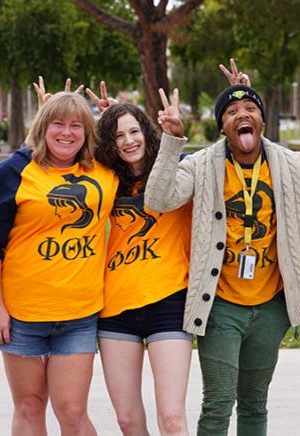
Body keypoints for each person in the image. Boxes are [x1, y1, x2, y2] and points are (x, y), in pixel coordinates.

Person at [144, 60, 300, 436]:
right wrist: (172, 141)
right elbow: (158, 199)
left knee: (255, 405)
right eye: (232, 111)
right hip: (220, 304)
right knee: (218, 405)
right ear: (222, 126)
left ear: (262, 121)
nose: (243, 114)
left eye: (251, 109)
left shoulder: (287, 163)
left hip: (271, 307)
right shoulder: (202, 164)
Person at [0, 89, 118, 435]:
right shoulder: (14, 172)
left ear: (87, 132)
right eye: (57, 123)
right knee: (29, 407)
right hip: (22, 315)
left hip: (79, 314)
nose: (66, 133)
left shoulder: (104, 171)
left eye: (76, 125)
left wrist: (118, 115)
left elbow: (146, 156)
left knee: (71, 410)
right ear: (43, 126)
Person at [93, 99, 193, 436]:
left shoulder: (178, 170)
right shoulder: (106, 179)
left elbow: (231, 154)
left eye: (134, 131)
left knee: (172, 419)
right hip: (116, 306)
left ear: (148, 134)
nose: (128, 141)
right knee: (128, 421)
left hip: (169, 302)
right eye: (118, 135)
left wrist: (241, 98)